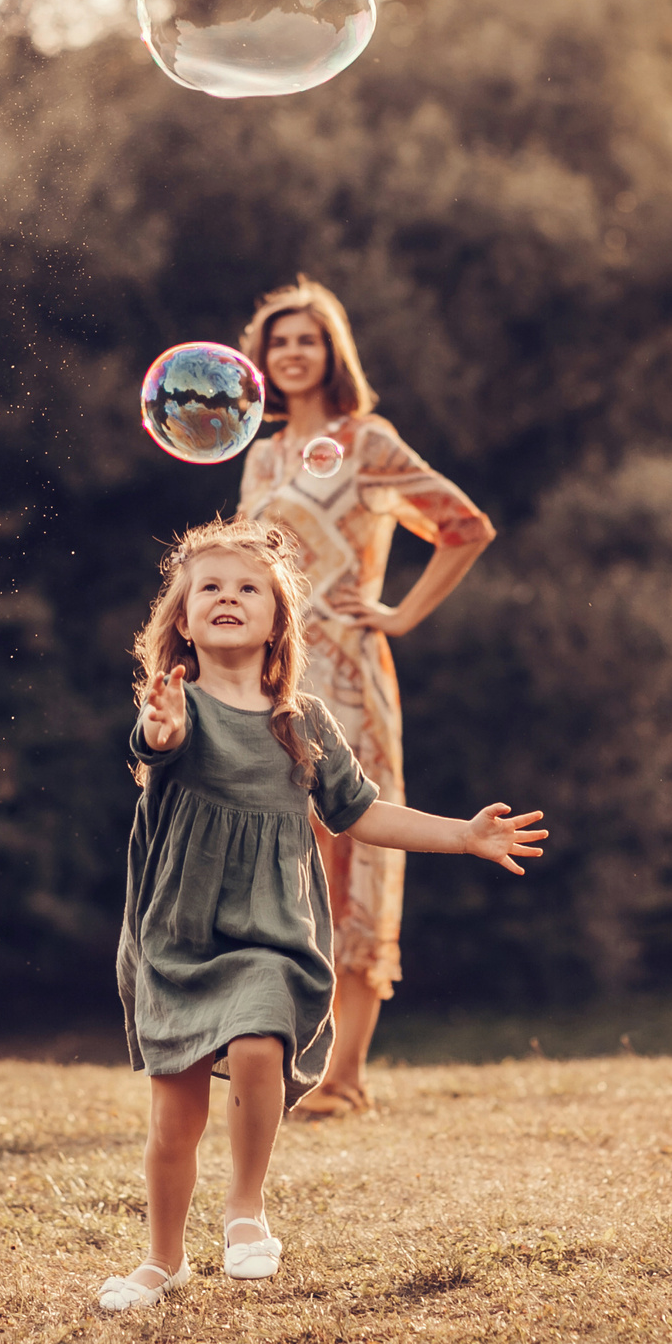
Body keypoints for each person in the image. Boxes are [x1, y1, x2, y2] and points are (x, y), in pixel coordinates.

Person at [101, 518, 543, 1311]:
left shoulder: (301, 722)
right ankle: (164, 1258)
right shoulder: (176, 707)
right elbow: (151, 742)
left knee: (262, 1037)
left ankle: (246, 1210)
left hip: (272, 931)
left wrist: (463, 836)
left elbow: (363, 813)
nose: (229, 597)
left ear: (277, 623)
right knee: (174, 1122)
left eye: (249, 589)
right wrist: (158, 728)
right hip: (179, 936)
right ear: (182, 619)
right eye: (211, 587)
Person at [235, 278, 496, 1120]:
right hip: (274, 680)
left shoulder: (367, 442)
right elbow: (243, 569)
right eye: (279, 341)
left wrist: (400, 613)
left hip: (349, 673)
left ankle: (346, 1074)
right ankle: (283, 1060)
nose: (291, 353)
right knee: (279, 858)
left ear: (332, 351)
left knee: (355, 855)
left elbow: (466, 526)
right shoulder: (263, 455)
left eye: (307, 339)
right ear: (264, 358)